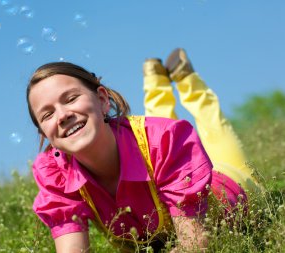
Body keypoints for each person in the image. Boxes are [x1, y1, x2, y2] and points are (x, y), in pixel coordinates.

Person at [26, 48, 259, 252]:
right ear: (45, 135)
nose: (63, 115)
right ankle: (156, 81)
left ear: (102, 100)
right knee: (154, 135)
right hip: (159, 155)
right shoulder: (56, 176)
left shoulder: (165, 140)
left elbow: (195, 244)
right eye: (47, 114)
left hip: (225, 185)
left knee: (210, 128)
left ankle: (187, 80)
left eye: (71, 98)